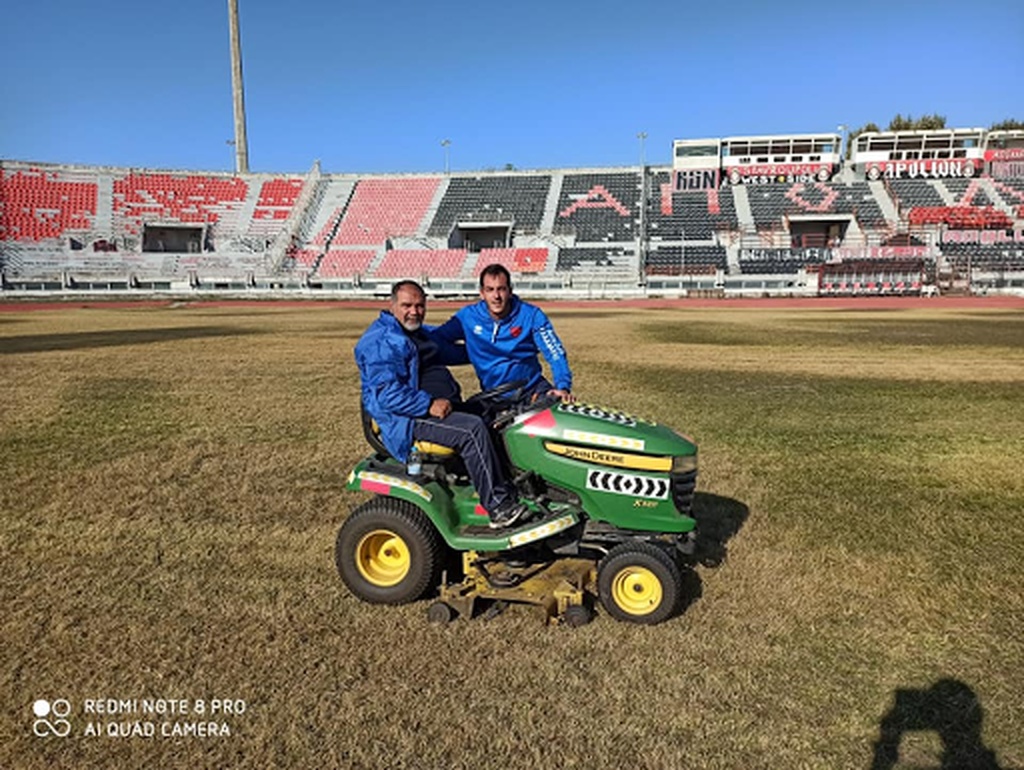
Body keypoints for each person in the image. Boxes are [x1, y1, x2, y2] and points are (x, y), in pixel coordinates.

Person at [354, 280, 530, 529]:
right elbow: (386, 395)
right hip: (407, 419)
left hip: (436, 408)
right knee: (471, 430)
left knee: (499, 412)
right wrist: (428, 405)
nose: (414, 311)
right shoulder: (383, 342)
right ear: (392, 305)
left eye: (419, 305)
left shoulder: (417, 333)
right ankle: (499, 507)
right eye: (407, 305)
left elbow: (455, 351)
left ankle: (513, 483)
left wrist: (499, 347)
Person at [435, 263, 575, 403]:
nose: (496, 296)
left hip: (532, 391)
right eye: (490, 290)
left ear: (510, 291)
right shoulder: (467, 317)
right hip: (493, 397)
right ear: (482, 293)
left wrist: (562, 387)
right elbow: (437, 338)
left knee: (550, 413)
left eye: (501, 289)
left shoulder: (531, 315)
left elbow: (555, 353)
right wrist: (471, 353)